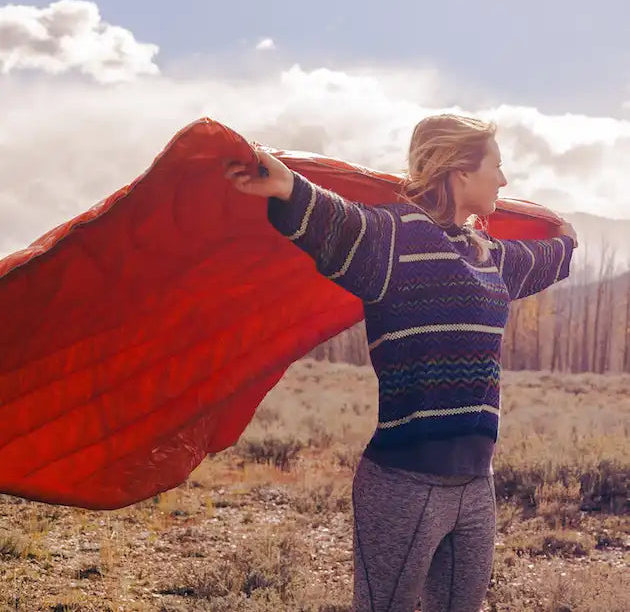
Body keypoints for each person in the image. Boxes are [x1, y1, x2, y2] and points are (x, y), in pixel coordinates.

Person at [224, 114, 578, 612]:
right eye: (496, 167)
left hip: (477, 485)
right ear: (460, 170)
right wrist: (287, 185)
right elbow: (339, 221)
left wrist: (565, 239)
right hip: (403, 485)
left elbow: (547, 259)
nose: (504, 180)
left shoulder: (488, 255)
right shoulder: (394, 240)